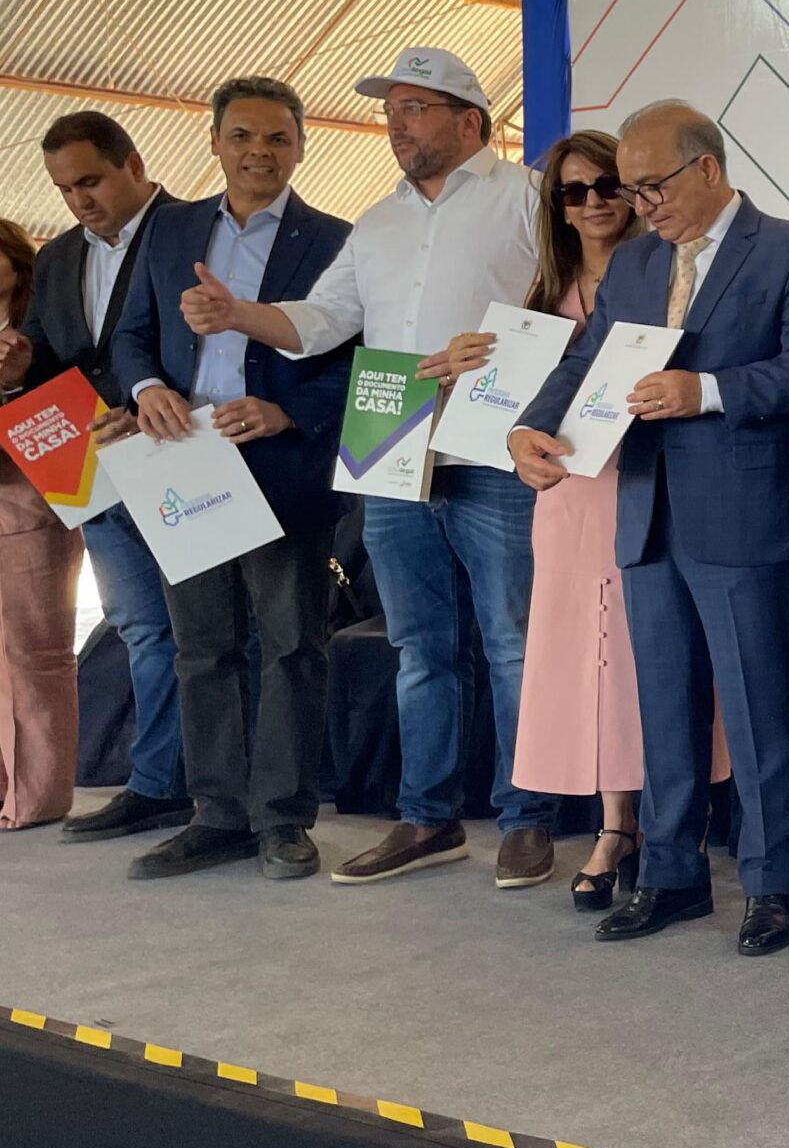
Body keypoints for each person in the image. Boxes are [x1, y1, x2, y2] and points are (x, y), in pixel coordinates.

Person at [180, 47, 556, 889]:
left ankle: (527, 817)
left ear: (469, 120)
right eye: (390, 110)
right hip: (392, 445)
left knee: (512, 643)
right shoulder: (377, 222)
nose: (396, 124)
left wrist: (504, 351)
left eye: (414, 108)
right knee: (419, 646)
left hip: (497, 446)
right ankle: (429, 818)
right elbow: (323, 320)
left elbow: (571, 304)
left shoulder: (528, 198)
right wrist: (238, 314)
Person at [514, 101, 789, 958]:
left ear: (707, 168)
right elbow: (586, 360)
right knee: (661, 705)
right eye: (631, 190)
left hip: (741, 513)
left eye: (652, 186)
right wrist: (531, 425)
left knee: (758, 708)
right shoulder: (633, 262)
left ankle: (769, 885)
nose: (641, 204)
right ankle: (670, 876)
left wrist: (708, 391)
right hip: (644, 509)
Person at [439, 132, 719, 910]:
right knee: (589, 663)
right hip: (568, 492)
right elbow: (511, 406)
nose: (593, 201)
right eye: (572, 191)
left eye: (607, 186)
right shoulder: (533, 298)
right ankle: (615, 825)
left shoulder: (670, 271)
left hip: (648, 481)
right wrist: (464, 372)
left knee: (650, 652)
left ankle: (674, 826)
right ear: (555, 207)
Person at [110, 78, 352, 882]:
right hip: (185, 459)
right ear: (214, 143)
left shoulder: (336, 240)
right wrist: (147, 388)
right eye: (242, 136)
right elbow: (130, 336)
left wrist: (290, 413)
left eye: (278, 138)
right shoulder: (171, 228)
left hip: (283, 464)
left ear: (301, 147)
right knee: (202, 647)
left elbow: (358, 355)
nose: (259, 152)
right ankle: (216, 815)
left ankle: (282, 820)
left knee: (292, 646)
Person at [0, 113, 187, 845]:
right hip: (91, 468)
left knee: (213, 633)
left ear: (132, 165)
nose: (79, 200)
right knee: (140, 626)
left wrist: (151, 399)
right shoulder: (56, 259)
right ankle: (157, 784)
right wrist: (19, 372)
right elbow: (47, 360)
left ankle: (226, 789)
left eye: (90, 181)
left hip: (184, 453)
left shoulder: (192, 230)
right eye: (64, 189)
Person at [0, 220, 81, 832]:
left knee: (36, 650)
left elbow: (71, 401)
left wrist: (17, 381)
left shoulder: (46, 321)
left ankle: (37, 794)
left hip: (34, 498)